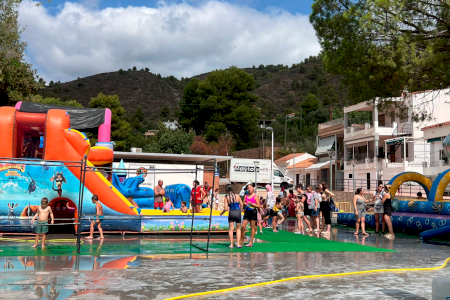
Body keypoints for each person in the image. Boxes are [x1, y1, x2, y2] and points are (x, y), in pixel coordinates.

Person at [240, 183, 261, 247]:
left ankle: (251, 242)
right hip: (247, 212)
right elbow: (243, 204)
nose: (249, 189)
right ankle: (242, 241)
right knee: (243, 226)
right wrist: (245, 204)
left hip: (253, 212)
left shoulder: (255, 196)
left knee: (252, 227)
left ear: (253, 188)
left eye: (250, 187)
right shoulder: (246, 196)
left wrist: (252, 204)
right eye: (248, 188)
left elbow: (258, 206)